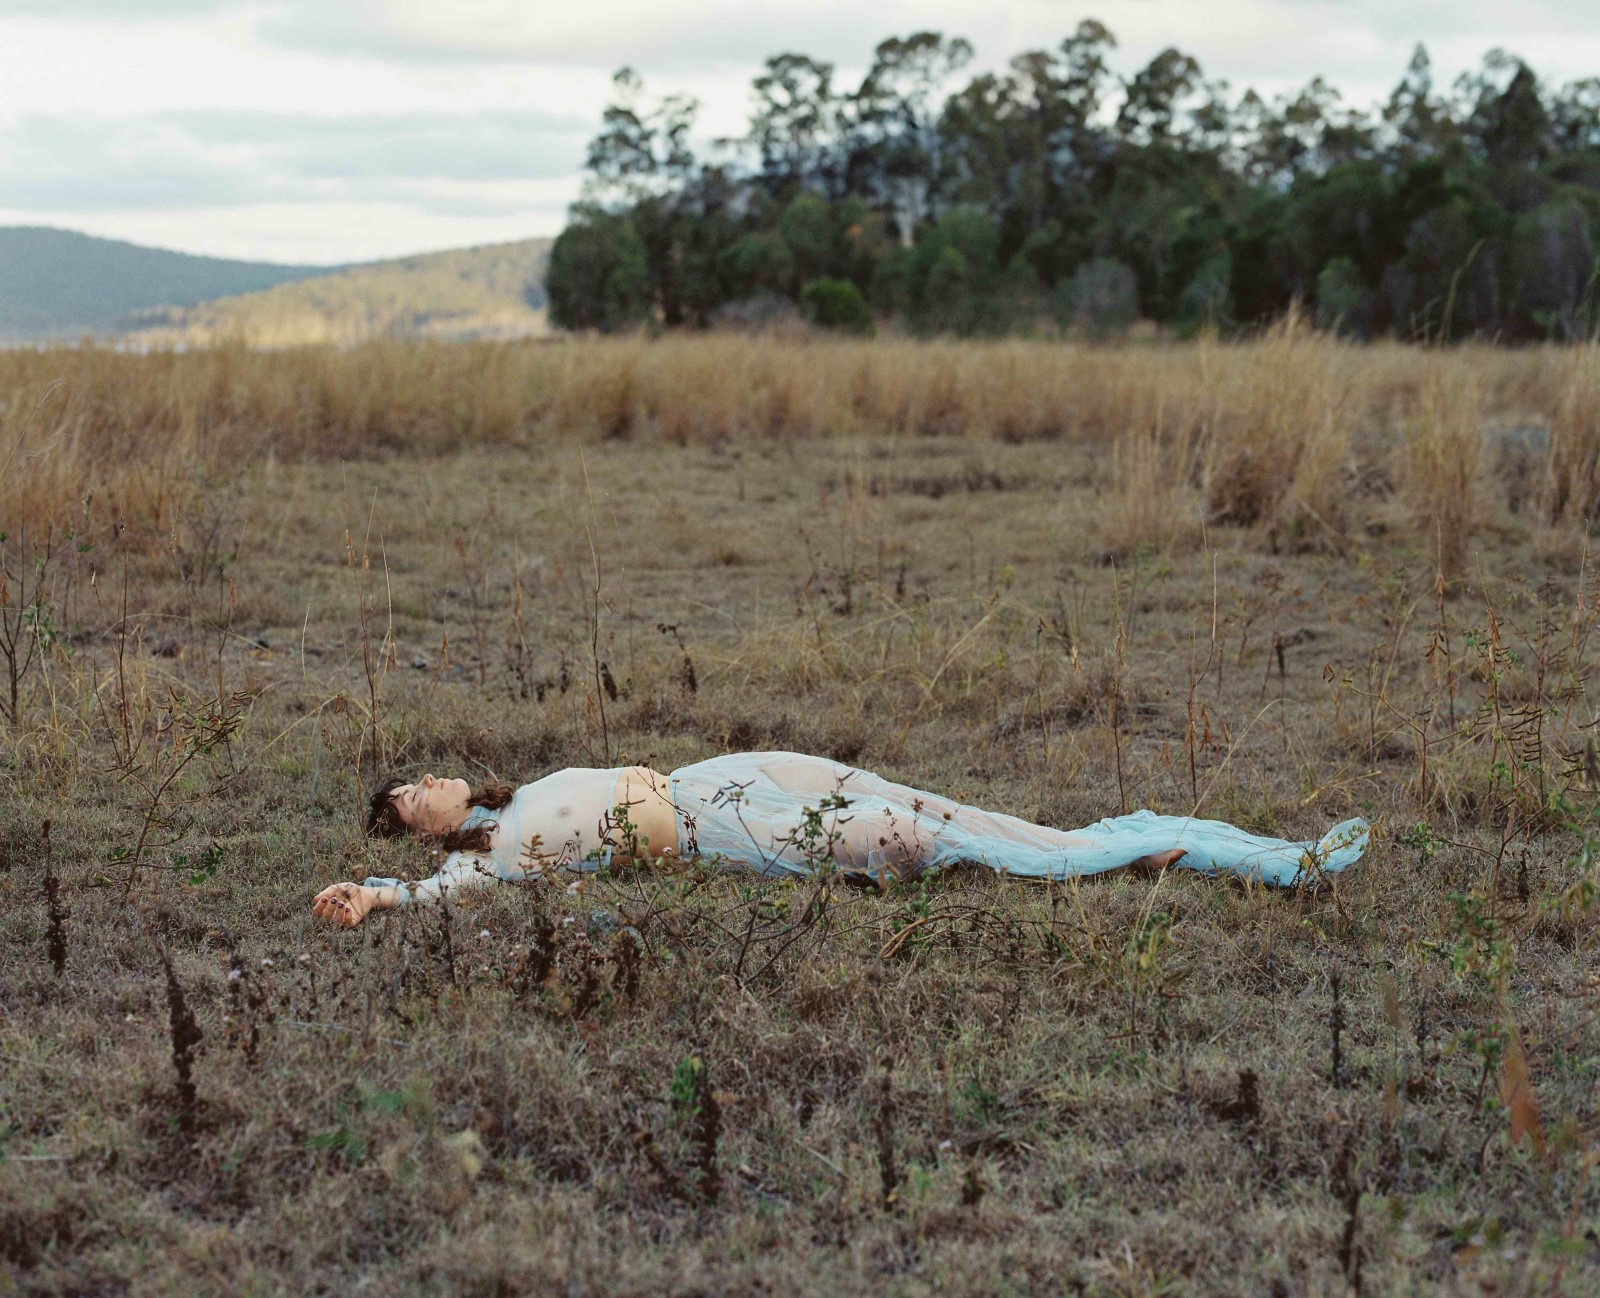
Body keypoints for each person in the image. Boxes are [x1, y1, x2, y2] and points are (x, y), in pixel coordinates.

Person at [311, 751, 1371, 928]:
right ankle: (1128, 856)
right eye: (408, 799)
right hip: (714, 829)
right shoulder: (494, 861)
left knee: (935, 806)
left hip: (718, 774)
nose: (426, 784)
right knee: (909, 839)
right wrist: (377, 893)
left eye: (421, 776)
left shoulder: (521, 793)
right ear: (420, 836)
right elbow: (444, 896)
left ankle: (1098, 843)